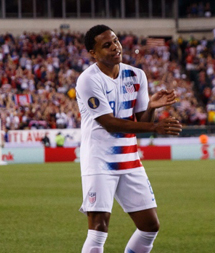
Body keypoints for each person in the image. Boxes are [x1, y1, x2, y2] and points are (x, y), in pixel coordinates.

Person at [75, 25, 182, 253]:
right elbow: (109, 123)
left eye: (115, 41)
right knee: (98, 229)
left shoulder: (136, 75)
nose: (115, 47)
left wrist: (151, 108)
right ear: (93, 53)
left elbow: (139, 118)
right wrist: (155, 127)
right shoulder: (88, 80)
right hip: (99, 161)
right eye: (106, 45)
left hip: (129, 159)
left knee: (150, 227)